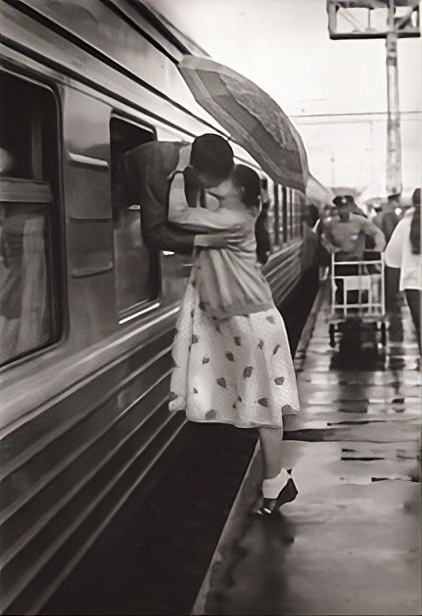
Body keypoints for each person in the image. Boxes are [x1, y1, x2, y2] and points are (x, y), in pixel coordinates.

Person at [167, 154, 300, 515]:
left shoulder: (235, 220)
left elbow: (178, 216)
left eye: (224, 178)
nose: (217, 181)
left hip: (254, 322)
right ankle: (275, 482)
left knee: (264, 406)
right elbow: (193, 228)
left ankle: (276, 481)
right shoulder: (234, 217)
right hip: (247, 319)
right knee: (262, 405)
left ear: (238, 190)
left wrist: (178, 170)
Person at [120, 133, 267, 263]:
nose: (216, 186)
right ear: (193, 171)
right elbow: (153, 234)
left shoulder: (196, 164)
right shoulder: (160, 165)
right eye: (212, 182)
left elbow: (184, 219)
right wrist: (205, 240)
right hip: (117, 206)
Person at [323, 196, 385, 304]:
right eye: (340, 208)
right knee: (341, 292)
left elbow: (377, 233)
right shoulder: (331, 224)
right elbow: (325, 238)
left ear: (350, 207)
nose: (343, 211)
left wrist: (378, 249)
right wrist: (332, 248)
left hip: (356, 261)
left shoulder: (360, 221)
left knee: (357, 291)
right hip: (339, 261)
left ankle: (359, 301)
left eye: (346, 207)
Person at [385, 188, 421, 362]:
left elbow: (390, 258)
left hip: (412, 283)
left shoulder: (404, 224)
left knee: (420, 324)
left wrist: (405, 263)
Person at [372, 195, 401, 314]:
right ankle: (392, 301)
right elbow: (390, 233)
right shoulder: (390, 215)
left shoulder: (380, 216)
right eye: (397, 201)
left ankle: (388, 298)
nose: (398, 204)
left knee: (386, 274)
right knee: (392, 274)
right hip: (390, 249)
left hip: (383, 249)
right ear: (392, 202)